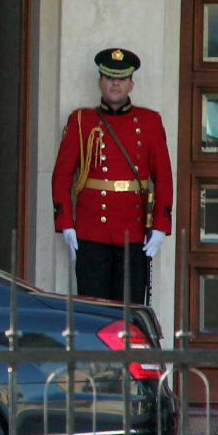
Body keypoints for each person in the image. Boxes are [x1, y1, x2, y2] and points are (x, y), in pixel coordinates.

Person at [51, 48, 173, 303]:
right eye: (108, 77)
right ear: (100, 82)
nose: (115, 84)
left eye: (121, 78)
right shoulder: (81, 121)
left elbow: (163, 177)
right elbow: (62, 176)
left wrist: (161, 225)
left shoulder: (149, 122)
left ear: (131, 83)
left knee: (129, 312)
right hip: (92, 231)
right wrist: (66, 223)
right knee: (93, 309)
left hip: (134, 230)